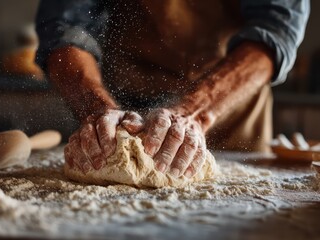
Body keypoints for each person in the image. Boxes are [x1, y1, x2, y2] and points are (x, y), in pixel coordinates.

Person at [36, 0, 309, 178]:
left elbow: (275, 32)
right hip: (114, 96)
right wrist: (96, 109)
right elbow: (66, 30)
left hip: (228, 101)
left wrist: (195, 114)